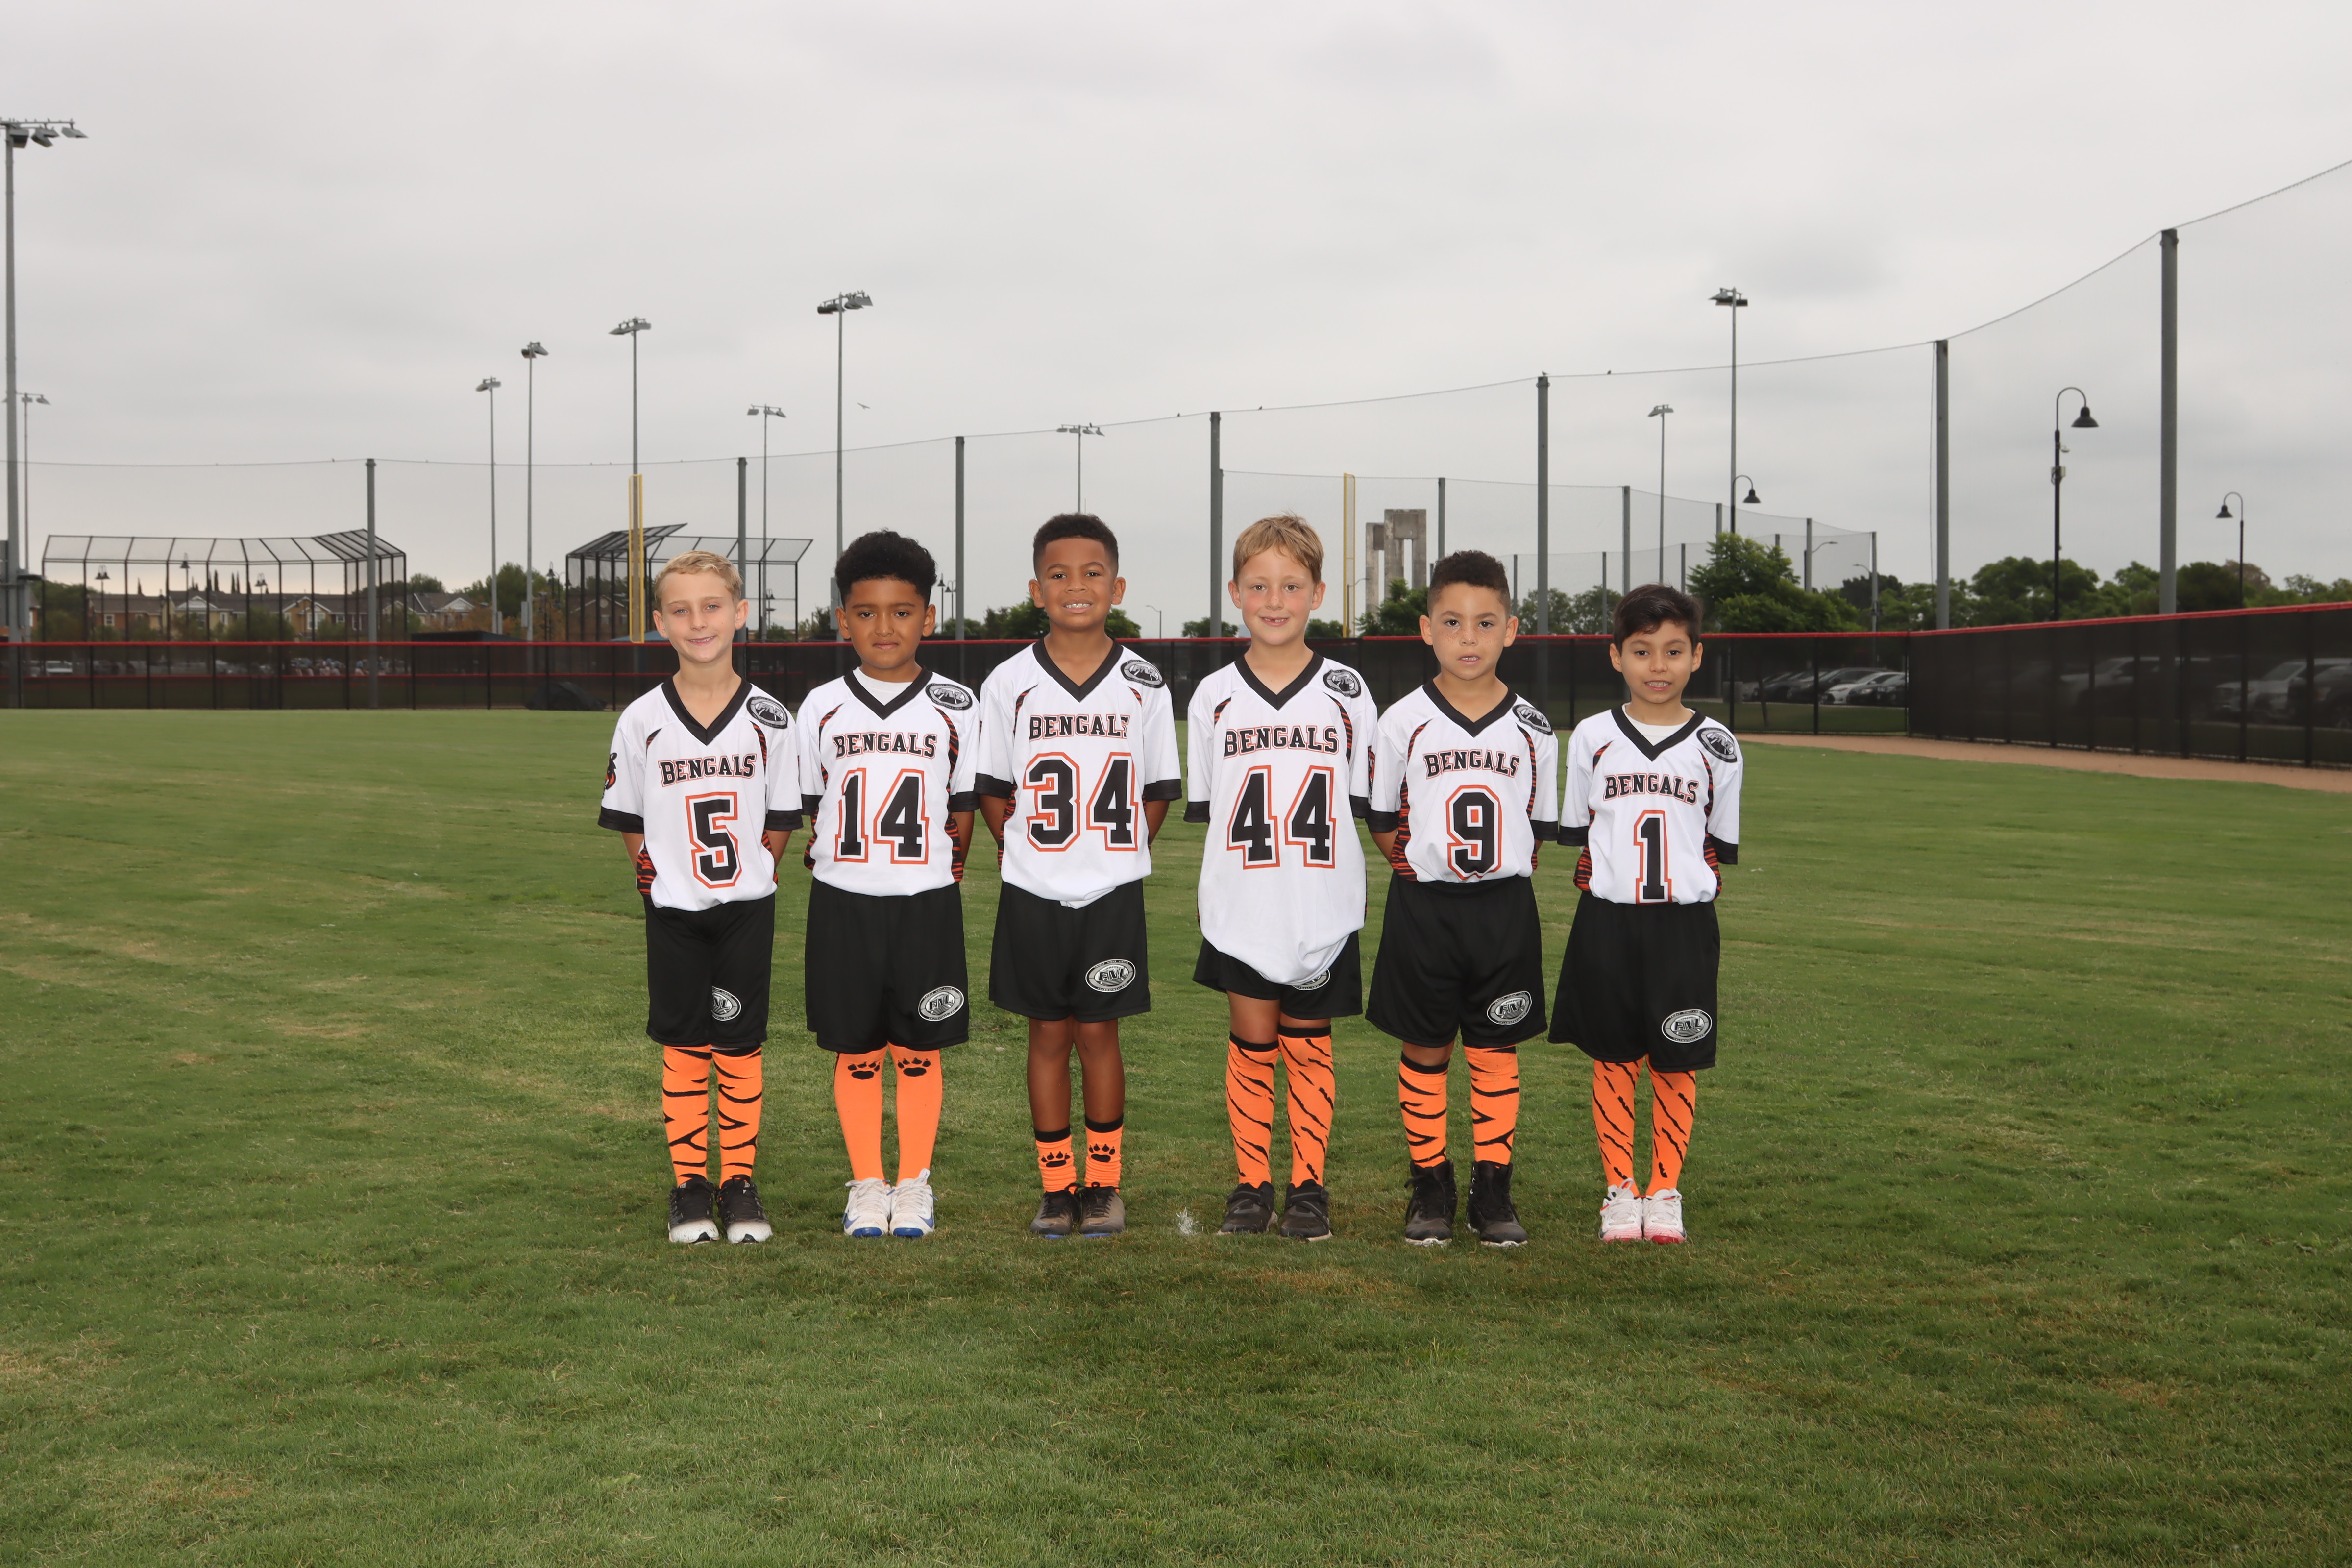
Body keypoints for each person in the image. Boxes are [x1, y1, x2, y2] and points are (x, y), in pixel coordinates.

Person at [976, 514, 1182, 1239]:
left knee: (1099, 1034)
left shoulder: (1142, 682)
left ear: (1117, 587)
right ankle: (1056, 1187)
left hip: (1110, 890)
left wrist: (1112, 856)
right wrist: (1031, 851)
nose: (1076, 586)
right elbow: (994, 789)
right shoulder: (1009, 682)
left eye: (1093, 573)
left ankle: (1103, 1185)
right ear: (1036, 590)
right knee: (1046, 1035)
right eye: (1058, 574)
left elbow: (1157, 792)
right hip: (1034, 888)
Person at [597, 550, 801, 1245]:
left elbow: (781, 816)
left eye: (712, 606)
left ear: (739, 614)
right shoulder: (641, 718)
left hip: (745, 906)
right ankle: (690, 1186)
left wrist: (756, 871)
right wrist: (654, 874)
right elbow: (628, 815)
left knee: (739, 1045)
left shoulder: (771, 717)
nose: (698, 622)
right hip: (674, 910)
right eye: (681, 610)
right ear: (660, 623)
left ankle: (738, 1182)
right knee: (685, 1044)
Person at [1185, 514, 1378, 1241]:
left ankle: (1308, 1186)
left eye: (1292, 586)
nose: (1276, 600)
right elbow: (1213, 806)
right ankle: (1251, 1185)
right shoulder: (1213, 695)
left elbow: (1360, 801)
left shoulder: (1348, 691)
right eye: (1260, 585)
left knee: (1310, 1041)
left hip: (1321, 899)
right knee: (1251, 1040)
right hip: (1245, 898)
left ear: (1318, 593)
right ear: (1236, 592)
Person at [1364, 549, 1558, 1247]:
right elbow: (1381, 817)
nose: (1468, 638)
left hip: (1503, 908)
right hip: (1424, 907)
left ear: (1511, 629)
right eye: (1452, 622)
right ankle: (1430, 1185)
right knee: (1425, 1047)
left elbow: (1537, 828)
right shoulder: (1402, 720)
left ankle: (1493, 1188)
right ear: (1427, 630)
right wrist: (1418, 867)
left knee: (1496, 1050)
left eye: (1484, 622)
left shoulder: (1534, 728)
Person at [796, 531, 978, 1240]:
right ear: (843, 619)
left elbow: (963, 809)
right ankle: (868, 1185)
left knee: (919, 1049)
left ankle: (914, 1184)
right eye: (866, 613)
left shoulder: (958, 705)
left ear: (928, 617)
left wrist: (940, 871)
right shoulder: (821, 707)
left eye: (902, 612)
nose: (884, 627)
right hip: (844, 899)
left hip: (925, 898)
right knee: (859, 1050)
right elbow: (809, 804)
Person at [1550, 583, 1742, 1245]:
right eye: (1641, 651)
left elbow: (1714, 846)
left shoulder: (1718, 744)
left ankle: (1664, 1191)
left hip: (1682, 925)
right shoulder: (1593, 737)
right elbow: (1581, 837)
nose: (1657, 666)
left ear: (1697, 656)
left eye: (1673, 651)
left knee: (1677, 1060)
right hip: (1608, 920)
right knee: (1613, 1060)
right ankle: (1619, 1190)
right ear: (1616, 656)